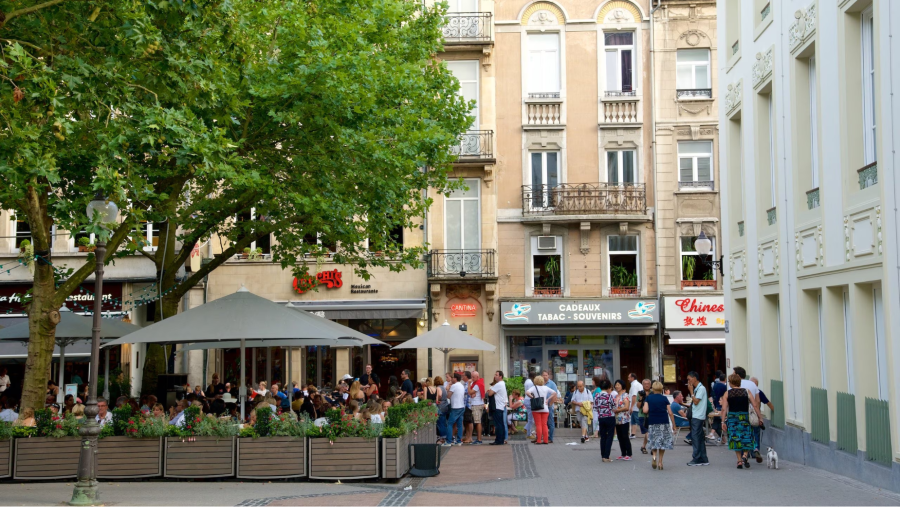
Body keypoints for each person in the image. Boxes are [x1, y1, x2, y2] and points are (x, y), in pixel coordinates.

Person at [721, 373, 762, 469]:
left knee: (736, 439)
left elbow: (723, 409)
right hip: (744, 417)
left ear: (731, 383)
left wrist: (723, 422)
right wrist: (760, 417)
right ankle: (745, 455)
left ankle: (739, 460)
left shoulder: (728, 393)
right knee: (747, 437)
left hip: (733, 418)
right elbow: (755, 405)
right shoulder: (747, 392)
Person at [731, 366, 762, 462]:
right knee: (752, 432)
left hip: (738, 413)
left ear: (737, 375)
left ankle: (742, 456)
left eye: (733, 373)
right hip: (752, 412)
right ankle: (755, 448)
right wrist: (759, 415)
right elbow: (757, 401)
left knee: (740, 435)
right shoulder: (753, 384)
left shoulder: (734, 385)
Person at [643, 381, 676, 470]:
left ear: (652, 389)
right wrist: (674, 425)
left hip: (653, 422)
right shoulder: (664, 398)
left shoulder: (649, 398)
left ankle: (654, 456)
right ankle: (660, 462)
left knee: (654, 441)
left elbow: (645, 410)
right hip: (664, 422)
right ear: (661, 389)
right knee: (662, 443)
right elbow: (670, 412)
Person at [686, 371, 709, 466]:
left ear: (694, 378)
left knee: (695, 437)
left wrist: (691, 391)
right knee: (699, 437)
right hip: (697, 415)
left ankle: (697, 457)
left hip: (698, 416)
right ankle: (703, 458)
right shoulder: (699, 388)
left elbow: (696, 401)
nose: (688, 381)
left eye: (689, 379)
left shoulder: (701, 388)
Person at [526, 374, 554, 444]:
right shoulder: (546, 388)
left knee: (538, 425)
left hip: (536, 409)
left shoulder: (534, 388)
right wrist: (548, 399)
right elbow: (554, 393)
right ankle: (545, 440)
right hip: (545, 408)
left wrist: (532, 397)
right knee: (544, 424)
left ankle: (538, 440)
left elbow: (527, 392)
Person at [593, 379, 617, 462]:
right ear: (608, 387)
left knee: (603, 436)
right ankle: (606, 456)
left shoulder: (596, 396)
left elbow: (595, 407)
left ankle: (603, 455)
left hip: (601, 417)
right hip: (610, 417)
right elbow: (614, 406)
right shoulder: (609, 396)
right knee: (610, 436)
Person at [486, 370, 508, 445]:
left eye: (496, 375)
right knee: (500, 424)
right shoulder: (502, 384)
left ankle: (499, 440)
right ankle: (500, 439)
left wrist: (490, 391)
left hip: (497, 406)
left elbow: (490, 393)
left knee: (498, 425)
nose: (495, 376)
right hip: (500, 406)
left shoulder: (499, 384)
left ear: (500, 376)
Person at [613, 379, 633, 460]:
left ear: (622, 386)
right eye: (616, 385)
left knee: (625, 436)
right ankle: (623, 453)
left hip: (624, 419)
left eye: (619, 384)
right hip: (617, 419)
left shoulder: (625, 395)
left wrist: (618, 410)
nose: (617, 386)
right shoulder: (615, 396)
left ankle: (629, 454)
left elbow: (626, 407)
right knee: (620, 437)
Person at [446, 373, 466, 446]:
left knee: (450, 424)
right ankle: (459, 441)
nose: (451, 379)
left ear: (455, 379)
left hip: (455, 407)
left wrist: (448, 389)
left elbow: (448, 396)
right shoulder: (461, 385)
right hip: (461, 406)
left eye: (452, 378)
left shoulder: (454, 386)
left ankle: (448, 441)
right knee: (459, 424)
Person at [467, 370, 486, 445]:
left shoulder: (477, 384)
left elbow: (470, 392)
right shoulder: (479, 383)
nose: (472, 378)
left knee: (478, 422)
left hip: (476, 404)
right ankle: (479, 439)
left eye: (473, 377)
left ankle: (479, 439)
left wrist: (468, 384)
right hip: (478, 403)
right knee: (477, 421)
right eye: (471, 376)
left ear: (477, 377)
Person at [709, 373, 728, 444]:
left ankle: (713, 434)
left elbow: (712, 395)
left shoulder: (715, 385)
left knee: (716, 420)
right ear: (725, 379)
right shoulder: (725, 387)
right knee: (717, 420)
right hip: (722, 404)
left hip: (717, 404)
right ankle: (718, 436)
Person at [541, 371, 559, 443]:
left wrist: (550, 403)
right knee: (542, 422)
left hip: (548, 405)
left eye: (546, 375)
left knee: (550, 421)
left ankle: (550, 438)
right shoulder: (540, 383)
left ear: (548, 376)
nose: (545, 376)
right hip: (541, 405)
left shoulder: (552, 384)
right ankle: (541, 437)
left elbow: (555, 394)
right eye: (543, 375)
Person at [638, 378, 652, 454]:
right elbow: (638, 406)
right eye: (645, 384)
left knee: (648, 432)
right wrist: (640, 398)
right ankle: (652, 447)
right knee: (647, 432)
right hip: (642, 415)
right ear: (642, 385)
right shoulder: (640, 393)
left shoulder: (653, 393)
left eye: (648, 383)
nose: (647, 385)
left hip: (651, 415)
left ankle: (643, 446)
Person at [627, 373, 642, 438]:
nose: (628, 379)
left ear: (632, 378)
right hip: (637, 405)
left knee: (637, 420)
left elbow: (634, 396)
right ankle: (633, 434)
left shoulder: (634, 385)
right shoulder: (638, 384)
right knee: (633, 420)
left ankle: (647, 431)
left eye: (629, 377)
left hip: (635, 406)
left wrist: (632, 406)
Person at [523, 372, 536, 439]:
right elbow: (532, 392)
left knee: (531, 417)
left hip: (526, 399)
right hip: (530, 400)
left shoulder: (527, 381)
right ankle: (528, 433)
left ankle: (526, 429)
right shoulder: (531, 383)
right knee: (531, 418)